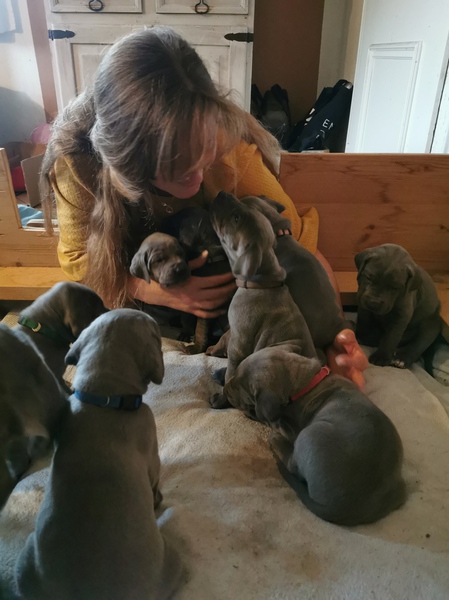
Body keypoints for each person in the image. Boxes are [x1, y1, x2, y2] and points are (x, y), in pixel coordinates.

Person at [40, 26, 367, 389]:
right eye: (180, 168)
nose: (198, 176)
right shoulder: (76, 163)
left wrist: (337, 339)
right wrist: (152, 290)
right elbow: (79, 260)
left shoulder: (230, 146)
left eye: (205, 153)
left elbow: (301, 249)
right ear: (127, 163)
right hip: (144, 293)